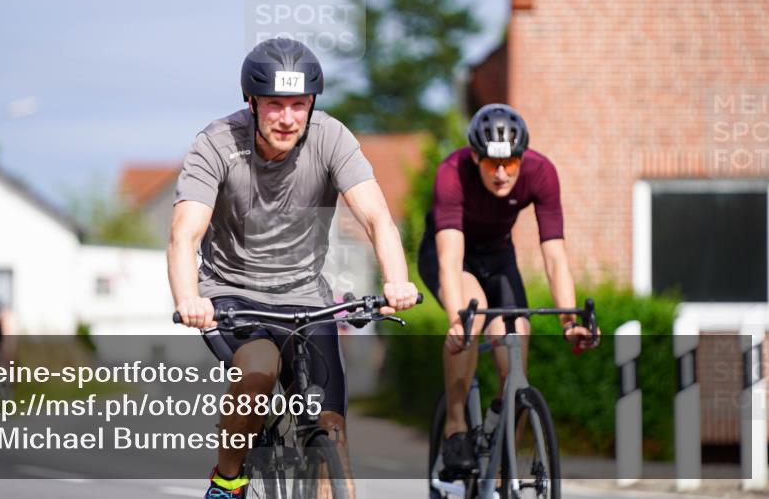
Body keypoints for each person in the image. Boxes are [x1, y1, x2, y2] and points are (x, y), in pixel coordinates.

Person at [168, 37, 419, 499]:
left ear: (312, 103)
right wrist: (189, 298)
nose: (287, 118)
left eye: (298, 105)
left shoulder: (331, 138)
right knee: (260, 368)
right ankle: (227, 482)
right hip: (232, 295)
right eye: (274, 105)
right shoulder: (217, 143)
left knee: (330, 429)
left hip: (306, 297)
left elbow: (376, 216)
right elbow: (185, 234)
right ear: (252, 102)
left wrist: (396, 280)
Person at [417, 103, 596, 477]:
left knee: (516, 349)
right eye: (491, 164)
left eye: (510, 164)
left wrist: (568, 319)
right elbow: (451, 259)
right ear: (475, 157)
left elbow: (555, 256)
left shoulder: (542, 172)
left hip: (499, 259)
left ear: (522, 158)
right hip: (451, 255)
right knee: (472, 312)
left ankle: (503, 466)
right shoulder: (452, 172)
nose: (501, 174)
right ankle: (455, 425)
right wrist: (455, 321)